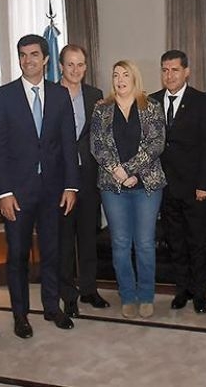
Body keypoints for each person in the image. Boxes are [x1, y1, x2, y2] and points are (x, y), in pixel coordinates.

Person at [0, 34, 80, 338]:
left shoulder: (60, 95)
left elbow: (68, 144)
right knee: (17, 255)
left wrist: (71, 186)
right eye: (22, 55)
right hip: (17, 193)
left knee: (52, 251)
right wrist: (3, 192)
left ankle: (52, 307)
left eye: (33, 54)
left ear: (46, 59)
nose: (27, 60)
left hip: (54, 191)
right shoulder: (4, 96)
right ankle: (20, 315)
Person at [90, 60, 166, 319]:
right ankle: (128, 296)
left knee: (144, 243)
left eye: (125, 74)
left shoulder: (151, 106)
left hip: (147, 186)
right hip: (113, 187)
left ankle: (146, 296)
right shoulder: (102, 109)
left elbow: (156, 143)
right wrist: (118, 172)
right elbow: (97, 145)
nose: (120, 79)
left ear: (134, 78)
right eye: (115, 75)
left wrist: (130, 170)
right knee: (121, 244)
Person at [150, 50, 206, 314]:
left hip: (194, 187)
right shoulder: (152, 101)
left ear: (186, 72)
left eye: (175, 70)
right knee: (175, 242)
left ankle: (199, 293)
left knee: (197, 243)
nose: (169, 75)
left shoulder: (202, 101)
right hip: (164, 187)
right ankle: (182, 290)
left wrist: (205, 184)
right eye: (165, 70)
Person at [56, 44, 108, 316]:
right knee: (64, 241)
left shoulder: (95, 95)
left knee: (88, 237)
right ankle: (68, 295)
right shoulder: (50, 94)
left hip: (88, 177)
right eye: (70, 64)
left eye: (80, 64)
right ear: (60, 67)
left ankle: (89, 289)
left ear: (86, 67)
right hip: (60, 178)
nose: (75, 70)